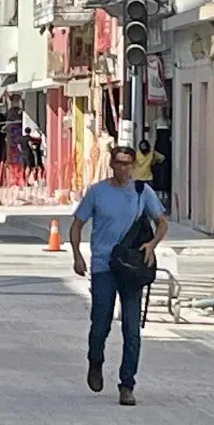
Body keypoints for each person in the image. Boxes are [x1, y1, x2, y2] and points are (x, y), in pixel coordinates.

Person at [70, 145, 169, 406]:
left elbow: (161, 221)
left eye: (127, 163)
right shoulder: (98, 192)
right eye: (118, 163)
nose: (123, 168)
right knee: (100, 322)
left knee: (131, 329)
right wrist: (77, 256)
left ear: (133, 165)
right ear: (111, 164)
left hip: (131, 268)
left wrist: (152, 245)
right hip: (104, 267)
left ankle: (127, 384)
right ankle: (95, 360)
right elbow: (77, 224)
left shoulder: (141, 192)